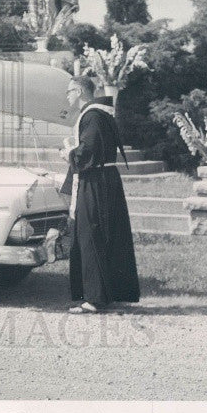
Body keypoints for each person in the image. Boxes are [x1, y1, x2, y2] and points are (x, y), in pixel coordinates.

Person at [59, 76, 140, 313]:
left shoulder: (92, 115)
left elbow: (87, 151)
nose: (67, 96)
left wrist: (67, 153)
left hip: (94, 181)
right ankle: (106, 293)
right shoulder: (98, 113)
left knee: (89, 235)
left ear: (81, 91)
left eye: (69, 91)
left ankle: (94, 298)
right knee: (104, 235)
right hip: (104, 180)